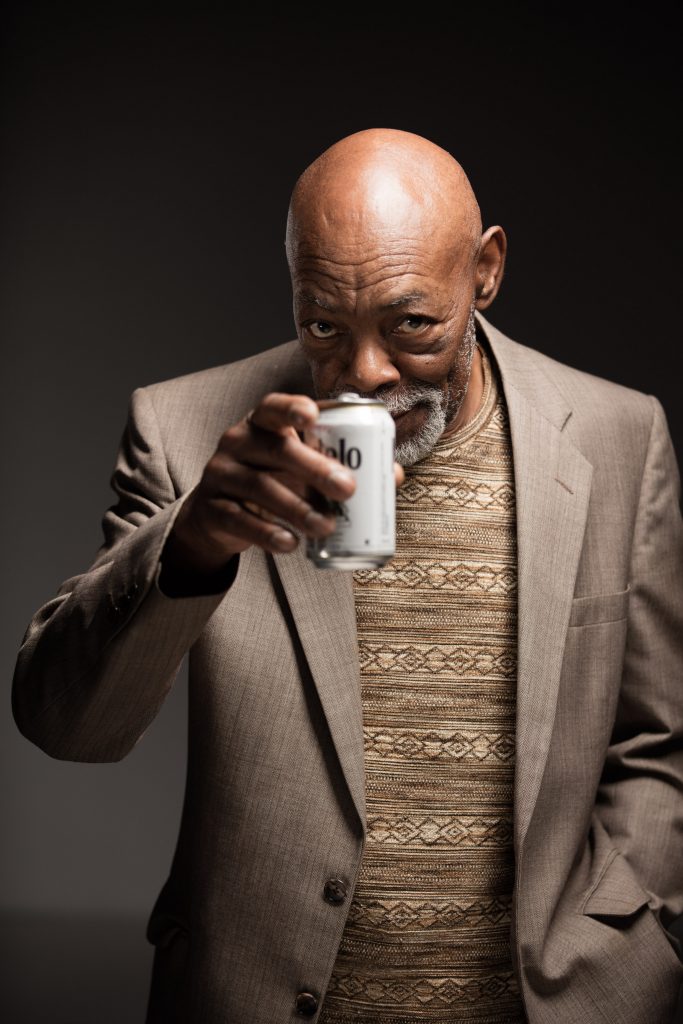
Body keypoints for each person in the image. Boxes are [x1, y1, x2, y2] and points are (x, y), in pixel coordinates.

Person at [12, 129, 683, 1024]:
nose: (364, 375)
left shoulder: (618, 436)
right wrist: (193, 542)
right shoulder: (183, 433)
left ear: (483, 272)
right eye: (324, 324)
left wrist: (631, 942)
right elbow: (67, 726)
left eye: (410, 324)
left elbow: (655, 747)